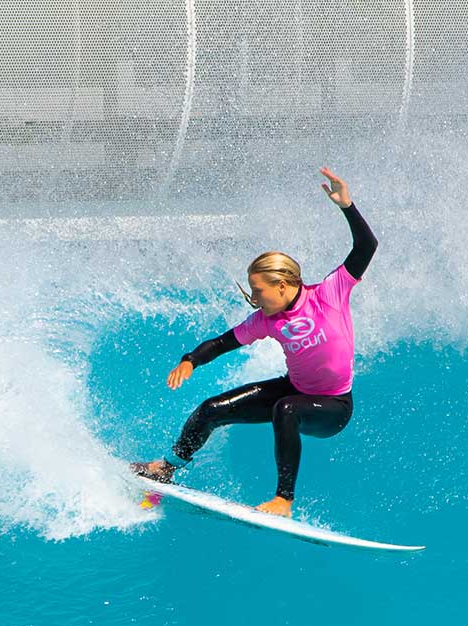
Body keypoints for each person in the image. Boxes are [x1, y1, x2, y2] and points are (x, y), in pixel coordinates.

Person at [130, 166, 378, 518]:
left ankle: (283, 501)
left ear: (281, 284)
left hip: (333, 406)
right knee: (211, 410)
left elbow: (366, 246)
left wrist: (346, 205)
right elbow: (221, 343)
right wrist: (190, 360)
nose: (254, 297)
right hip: (295, 389)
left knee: (286, 409)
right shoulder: (266, 320)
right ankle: (167, 467)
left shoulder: (330, 293)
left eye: (258, 290)